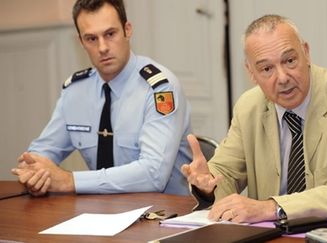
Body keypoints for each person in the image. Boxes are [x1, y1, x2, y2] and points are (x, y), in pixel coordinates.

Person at [181, 15, 327, 223]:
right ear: (251, 73)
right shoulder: (248, 107)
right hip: (275, 235)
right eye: (267, 69)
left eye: (290, 61)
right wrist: (207, 186)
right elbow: (226, 173)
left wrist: (271, 207)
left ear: (306, 53)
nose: (283, 78)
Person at [11, 0, 192, 196]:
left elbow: (154, 174)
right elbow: (41, 151)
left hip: (165, 216)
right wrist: (34, 172)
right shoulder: (76, 91)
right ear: (81, 42)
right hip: (101, 214)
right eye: (91, 39)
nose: (103, 47)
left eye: (110, 34)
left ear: (127, 30)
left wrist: (70, 181)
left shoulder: (159, 89)